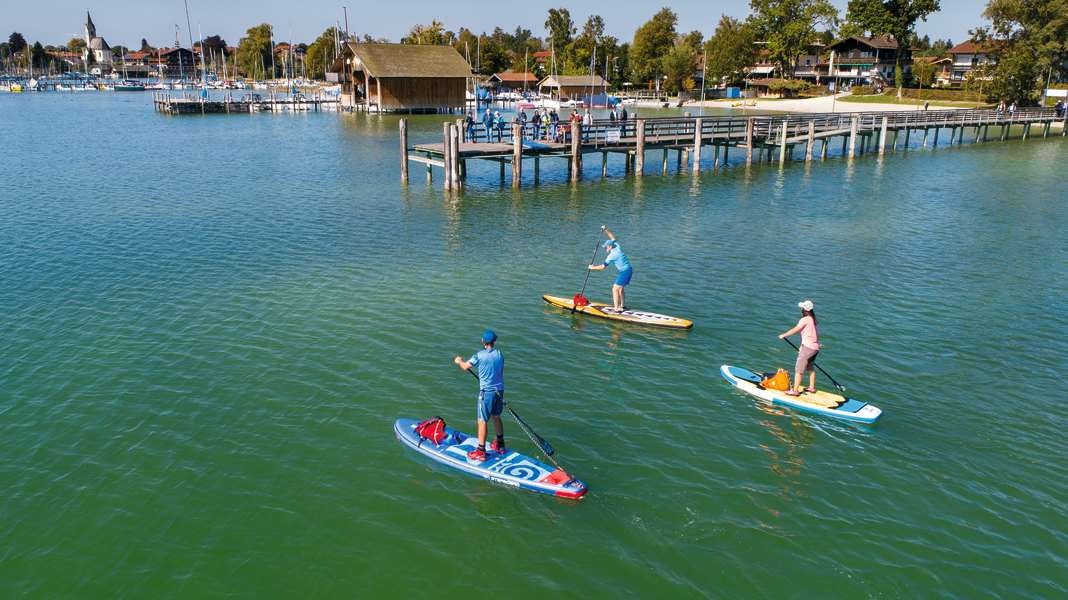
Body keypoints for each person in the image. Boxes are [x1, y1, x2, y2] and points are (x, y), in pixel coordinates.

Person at [453, 329, 505, 461]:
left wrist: (459, 361)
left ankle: (481, 451)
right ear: (494, 341)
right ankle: (500, 444)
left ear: (483, 341)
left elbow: (465, 366)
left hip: (487, 393)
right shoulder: (500, 354)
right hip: (499, 391)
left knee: (482, 421)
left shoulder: (479, 355)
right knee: (496, 416)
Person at [778, 300, 821, 396]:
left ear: (805, 310)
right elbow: (814, 334)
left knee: (799, 369)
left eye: (802, 308)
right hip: (815, 348)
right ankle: (811, 387)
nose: (801, 310)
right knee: (810, 367)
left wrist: (784, 335)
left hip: (808, 348)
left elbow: (796, 329)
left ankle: (795, 391)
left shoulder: (805, 319)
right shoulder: (814, 320)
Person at [587, 226, 633, 312]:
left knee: (615, 288)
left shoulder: (612, 255)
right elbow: (612, 237)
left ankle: (616, 308)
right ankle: (622, 306)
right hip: (629, 270)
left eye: (606, 247)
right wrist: (606, 230)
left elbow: (602, 267)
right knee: (621, 288)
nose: (605, 248)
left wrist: (592, 267)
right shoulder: (616, 246)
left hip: (625, 272)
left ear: (610, 247)